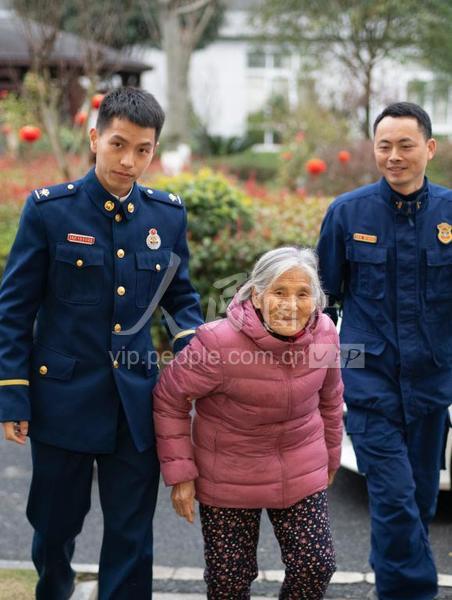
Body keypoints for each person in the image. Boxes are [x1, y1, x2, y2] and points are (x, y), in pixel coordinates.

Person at [0, 87, 203, 600]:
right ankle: (55, 589)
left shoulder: (166, 216)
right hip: (61, 401)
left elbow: (180, 298)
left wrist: (196, 358)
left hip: (136, 403)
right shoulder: (50, 211)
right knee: (54, 527)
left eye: (143, 149)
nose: (129, 160)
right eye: (118, 144)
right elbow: (15, 310)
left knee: (131, 537)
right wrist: (12, 394)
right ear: (94, 139)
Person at [153, 246, 344, 600]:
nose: (291, 304)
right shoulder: (217, 343)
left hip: (300, 466)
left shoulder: (325, 334)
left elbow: (331, 399)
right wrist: (181, 475)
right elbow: (169, 398)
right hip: (229, 473)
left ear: (317, 300)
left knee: (315, 565)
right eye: (279, 292)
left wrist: (332, 457)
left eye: (303, 294)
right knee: (229, 581)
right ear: (256, 295)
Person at [317, 101, 451, 600]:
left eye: (405, 145)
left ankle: (389, 582)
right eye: (384, 146)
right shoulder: (347, 214)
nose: (394, 155)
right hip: (370, 384)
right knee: (394, 499)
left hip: (432, 386)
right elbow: (322, 302)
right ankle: (412, 593)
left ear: (429, 149)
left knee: (418, 502)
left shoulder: (449, 214)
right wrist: (324, 374)